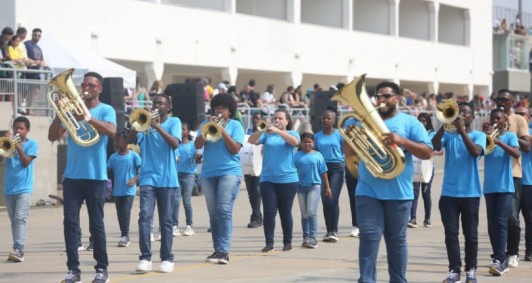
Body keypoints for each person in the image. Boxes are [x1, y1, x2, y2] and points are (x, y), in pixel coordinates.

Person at [346, 80, 432, 283]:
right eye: (378, 96)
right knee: (368, 239)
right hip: (368, 190)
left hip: (399, 192)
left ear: (397, 98)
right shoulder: (363, 121)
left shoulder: (409, 122)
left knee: (396, 242)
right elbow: (349, 153)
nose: (381, 100)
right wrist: (348, 138)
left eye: (386, 96)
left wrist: (402, 141)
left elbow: (427, 152)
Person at [48, 71, 116, 283]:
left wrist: (87, 117)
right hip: (72, 177)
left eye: (91, 85)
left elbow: (111, 131)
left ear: (100, 89)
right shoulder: (71, 110)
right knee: (69, 222)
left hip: (95, 176)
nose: (86, 88)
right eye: (84, 84)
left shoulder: (106, 109)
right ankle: (73, 270)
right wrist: (60, 113)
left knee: (96, 224)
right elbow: (52, 136)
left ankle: (101, 268)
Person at [432, 102, 485, 283]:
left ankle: (471, 270)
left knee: (471, 235)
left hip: (470, 193)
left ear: (473, 116)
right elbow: (434, 146)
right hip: (449, 194)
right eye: (459, 112)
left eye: (466, 112)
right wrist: (444, 125)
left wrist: (461, 130)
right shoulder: (448, 134)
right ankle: (454, 270)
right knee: (451, 235)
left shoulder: (479, 135)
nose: (462, 115)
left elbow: (475, 152)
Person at [128, 93, 181, 273]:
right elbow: (130, 140)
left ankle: (167, 258)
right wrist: (137, 125)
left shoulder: (174, 122)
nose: (157, 106)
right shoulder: (146, 125)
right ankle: (145, 258)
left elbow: (174, 144)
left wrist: (157, 126)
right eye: (154, 103)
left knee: (166, 221)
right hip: (148, 177)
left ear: (169, 107)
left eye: (161, 103)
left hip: (167, 178)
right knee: (144, 217)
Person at [194, 93, 244, 264]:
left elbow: (235, 149)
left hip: (229, 172)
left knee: (224, 210)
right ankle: (217, 250)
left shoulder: (236, 125)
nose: (220, 110)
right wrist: (208, 126)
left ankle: (224, 251)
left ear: (230, 111)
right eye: (217, 107)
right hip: (209, 173)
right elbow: (197, 144)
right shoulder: (206, 124)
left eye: (223, 108)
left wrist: (221, 130)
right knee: (213, 214)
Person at [248, 108, 300, 253]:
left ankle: (287, 241)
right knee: (269, 211)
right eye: (275, 118)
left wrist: (278, 131)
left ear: (287, 121)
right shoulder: (267, 136)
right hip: (268, 178)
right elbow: (252, 140)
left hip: (288, 179)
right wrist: (262, 129)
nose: (277, 120)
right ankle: (269, 242)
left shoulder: (292, 133)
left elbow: (295, 142)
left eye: (280, 118)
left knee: (285, 212)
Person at [482, 109, 520, 276]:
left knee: (501, 222)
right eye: (493, 118)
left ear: (505, 120)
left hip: (505, 186)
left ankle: (500, 259)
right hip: (489, 187)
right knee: (492, 225)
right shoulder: (486, 137)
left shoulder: (510, 136)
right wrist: (485, 136)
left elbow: (516, 153)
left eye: (498, 118)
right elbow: (477, 153)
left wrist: (497, 141)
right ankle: (499, 256)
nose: (495, 120)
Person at [495, 89, 530, 268]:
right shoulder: (490, 119)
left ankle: (513, 252)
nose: (501, 102)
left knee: (512, 217)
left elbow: (526, 146)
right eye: (498, 99)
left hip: (514, 174)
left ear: (511, 102)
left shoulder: (519, 119)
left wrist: (508, 136)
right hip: (494, 176)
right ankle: (499, 253)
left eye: (505, 99)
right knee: (496, 219)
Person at [1, 116, 38, 263]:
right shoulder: (9, 144)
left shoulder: (32, 144)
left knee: (20, 218)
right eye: (16, 128)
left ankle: (19, 249)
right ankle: (16, 247)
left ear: (27, 130)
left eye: (21, 128)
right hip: (9, 188)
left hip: (24, 188)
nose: (18, 131)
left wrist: (18, 148)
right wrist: (4, 145)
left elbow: (26, 162)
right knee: (13, 220)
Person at [295, 132, 330, 249]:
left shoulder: (318, 155)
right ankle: (306, 237)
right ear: (301, 143)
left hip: (314, 186)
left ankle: (313, 237)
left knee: (311, 211)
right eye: (305, 142)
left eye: (309, 142)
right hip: (300, 187)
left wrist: (328, 187)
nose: (307, 144)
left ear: (313, 143)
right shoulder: (296, 156)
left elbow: (323, 172)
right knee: (304, 214)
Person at [107, 130, 141, 248]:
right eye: (115, 141)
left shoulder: (133, 155)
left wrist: (134, 179)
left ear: (126, 142)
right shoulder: (113, 157)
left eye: (119, 141)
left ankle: (125, 236)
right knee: (120, 214)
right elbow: (107, 171)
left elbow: (141, 171)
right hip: (117, 191)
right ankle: (123, 234)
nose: (116, 143)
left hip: (129, 190)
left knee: (126, 212)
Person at [314, 109, 344, 242]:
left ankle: (334, 230)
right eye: (324, 118)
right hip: (322, 168)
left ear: (334, 120)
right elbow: (314, 152)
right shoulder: (317, 136)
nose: (326, 120)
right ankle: (328, 230)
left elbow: (345, 150)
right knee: (325, 199)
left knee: (332, 198)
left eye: (329, 118)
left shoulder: (339, 134)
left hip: (337, 167)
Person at [409, 112, 442, 228]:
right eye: (419, 121)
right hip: (415, 166)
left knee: (426, 193)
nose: (421, 123)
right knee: (414, 192)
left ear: (428, 122)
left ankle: (427, 218)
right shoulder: (414, 134)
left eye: (424, 121)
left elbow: (440, 150)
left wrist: (431, 152)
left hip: (427, 167)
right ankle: (413, 218)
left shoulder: (432, 134)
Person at [174, 122, 200, 237]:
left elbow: (198, 158)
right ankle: (174, 226)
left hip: (189, 175)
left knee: (187, 201)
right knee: (175, 201)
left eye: (183, 129)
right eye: (179, 129)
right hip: (177, 174)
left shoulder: (192, 145)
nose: (181, 131)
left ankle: (189, 226)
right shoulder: (176, 145)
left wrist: (197, 157)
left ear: (187, 131)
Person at [514, 106, 532, 262]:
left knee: (530, 219)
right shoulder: (512, 130)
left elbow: (527, 146)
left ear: (529, 116)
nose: (519, 116)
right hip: (513, 180)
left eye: (522, 114)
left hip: (528, 182)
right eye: (517, 114)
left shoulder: (529, 132)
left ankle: (529, 250)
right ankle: (513, 252)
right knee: (513, 219)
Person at [244, 113, 264, 228]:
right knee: (251, 193)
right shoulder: (248, 131)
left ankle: (257, 217)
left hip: (259, 165)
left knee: (256, 192)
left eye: (258, 118)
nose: (256, 120)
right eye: (254, 118)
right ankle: (255, 214)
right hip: (248, 165)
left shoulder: (264, 133)